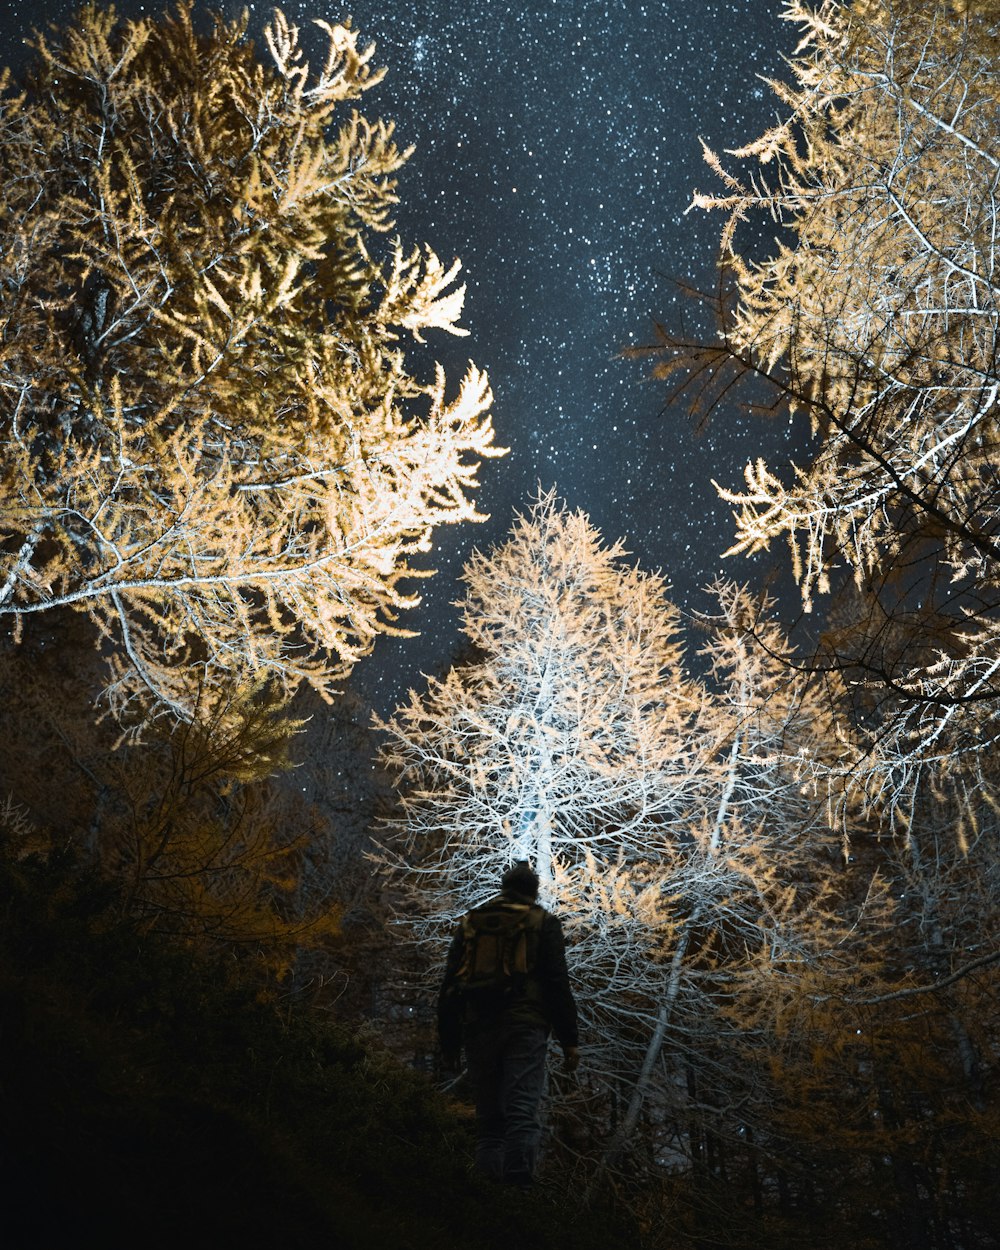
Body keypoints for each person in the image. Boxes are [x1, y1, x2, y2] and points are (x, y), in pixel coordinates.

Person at [438, 860, 580, 1187]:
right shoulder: (542, 922)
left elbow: (450, 985)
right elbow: (557, 982)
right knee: (521, 1114)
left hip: (478, 1026)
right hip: (524, 1027)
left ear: (504, 888)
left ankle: (487, 1201)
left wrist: (449, 1042)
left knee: (489, 1122)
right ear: (534, 892)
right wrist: (569, 1039)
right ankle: (519, 1201)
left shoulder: (472, 923)